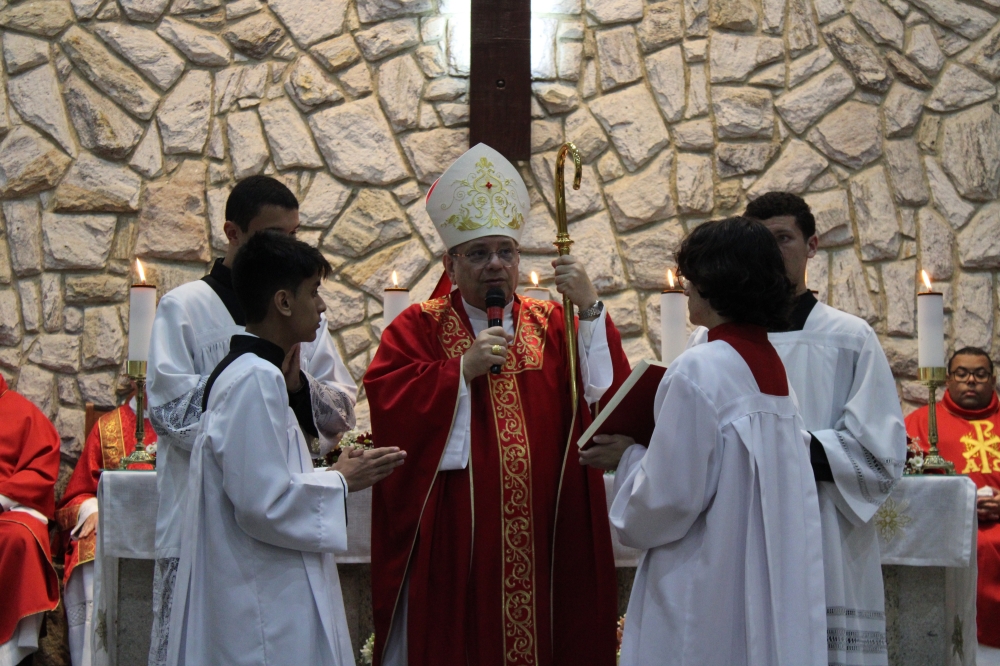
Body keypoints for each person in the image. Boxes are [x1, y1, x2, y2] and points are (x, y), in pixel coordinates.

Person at [364, 143, 633, 666]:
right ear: (450, 262)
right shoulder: (418, 327)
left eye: (506, 252)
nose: (495, 265)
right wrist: (457, 372)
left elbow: (604, 394)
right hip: (459, 535)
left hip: (547, 529)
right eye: (479, 253)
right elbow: (390, 401)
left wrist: (590, 307)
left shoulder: (554, 323)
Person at [146, 175, 357, 665]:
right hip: (208, 511)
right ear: (234, 233)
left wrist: (296, 389)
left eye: (296, 233)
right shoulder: (186, 308)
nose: (290, 245)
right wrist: (252, 397)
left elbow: (341, 410)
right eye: (276, 235)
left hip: (287, 502)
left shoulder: (302, 315)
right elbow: (170, 413)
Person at [166, 231, 404, 666]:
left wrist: (328, 475)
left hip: (262, 584)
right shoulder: (255, 379)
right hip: (262, 602)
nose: (322, 305)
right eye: (313, 292)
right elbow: (262, 504)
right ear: (283, 302)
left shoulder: (253, 372)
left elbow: (265, 478)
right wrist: (340, 481)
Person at [609, 217, 827, 665]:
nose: (686, 287)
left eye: (692, 276)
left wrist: (627, 457)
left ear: (717, 281)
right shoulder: (773, 369)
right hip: (759, 582)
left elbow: (664, 503)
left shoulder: (699, 368)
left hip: (704, 588)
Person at [904, 347, 1000, 663]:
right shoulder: (921, 424)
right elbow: (906, 487)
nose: (971, 380)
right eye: (962, 373)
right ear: (947, 379)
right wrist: (963, 504)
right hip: (950, 532)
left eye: (980, 374)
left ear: (993, 380)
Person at [56, 397, 155, 666]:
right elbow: (75, 496)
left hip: (165, 527)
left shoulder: (181, 427)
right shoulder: (107, 426)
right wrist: (94, 510)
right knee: (88, 548)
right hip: (110, 524)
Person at [0, 374, 61, 666]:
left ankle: (8, 653)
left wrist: (2, 498)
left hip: (7, 507)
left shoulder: (22, 413)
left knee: (21, 538)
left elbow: (40, 469)